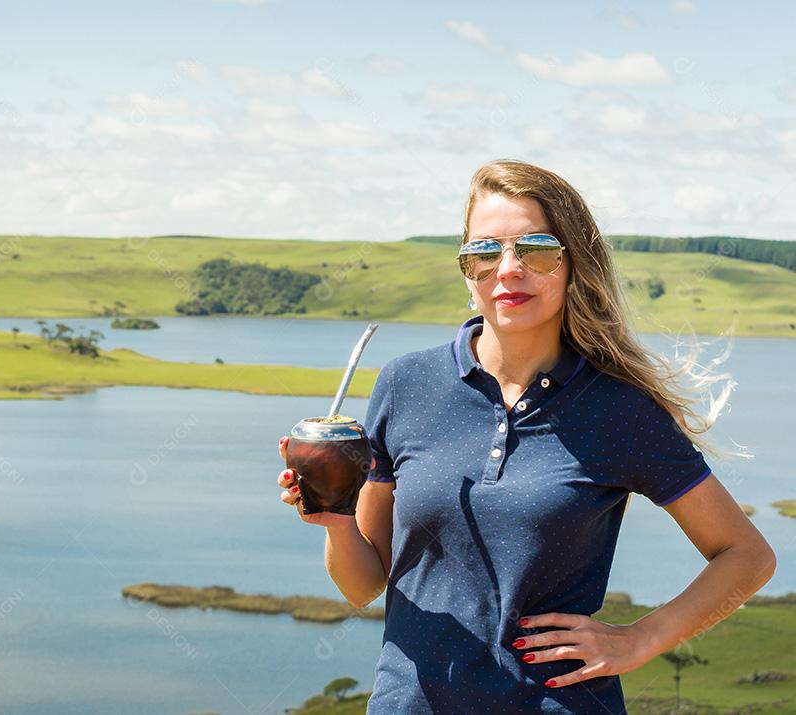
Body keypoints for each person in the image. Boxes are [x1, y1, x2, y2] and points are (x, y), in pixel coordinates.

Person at [275, 159, 776, 714]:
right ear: (466, 272)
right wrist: (336, 520)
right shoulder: (404, 384)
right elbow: (364, 584)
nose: (508, 269)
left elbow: (747, 556)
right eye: (483, 253)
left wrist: (642, 638)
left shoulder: (619, 408)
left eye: (536, 249)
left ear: (572, 265)